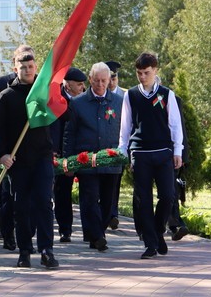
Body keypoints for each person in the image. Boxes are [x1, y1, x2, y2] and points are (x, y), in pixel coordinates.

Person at [0, 49, 59, 270]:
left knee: (44, 202)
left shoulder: (44, 92)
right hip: (18, 161)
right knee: (22, 206)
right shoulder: (6, 96)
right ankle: (25, 251)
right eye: (23, 67)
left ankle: (47, 250)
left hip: (42, 157)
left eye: (31, 66)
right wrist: (2, 154)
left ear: (36, 67)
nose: (27, 70)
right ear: (15, 68)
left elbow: (60, 116)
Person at [118, 52, 184, 260]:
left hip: (163, 152)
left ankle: (157, 230)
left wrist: (177, 150)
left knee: (167, 195)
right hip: (140, 153)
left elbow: (175, 124)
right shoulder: (131, 95)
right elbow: (125, 126)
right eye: (139, 73)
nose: (142, 77)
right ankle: (150, 243)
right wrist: (124, 151)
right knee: (143, 199)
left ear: (155, 71)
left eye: (146, 73)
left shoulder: (166, 94)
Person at [64, 62, 123, 252]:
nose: (99, 84)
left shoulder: (118, 102)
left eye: (104, 81)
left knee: (108, 202)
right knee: (89, 199)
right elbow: (69, 133)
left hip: (111, 159)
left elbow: (126, 130)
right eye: (96, 80)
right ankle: (97, 236)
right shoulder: (78, 103)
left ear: (109, 80)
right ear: (90, 79)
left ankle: (97, 232)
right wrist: (68, 160)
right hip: (86, 159)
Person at [0, 44, 34, 252]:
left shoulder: (38, 83)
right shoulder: (2, 84)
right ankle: (7, 233)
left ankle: (27, 235)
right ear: (15, 63)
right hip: (8, 150)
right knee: (7, 195)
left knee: (31, 197)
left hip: (31, 149)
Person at [52, 67, 86, 243]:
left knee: (88, 192)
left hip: (83, 152)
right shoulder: (57, 99)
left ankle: (92, 230)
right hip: (61, 152)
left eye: (82, 84)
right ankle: (65, 230)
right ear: (67, 84)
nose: (82, 87)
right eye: (79, 84)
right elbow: (54, 127)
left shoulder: (86, 99)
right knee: (62, 192)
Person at [105, 60, 125, 229]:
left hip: (119, 147)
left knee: (115, 181)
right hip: (101, 146)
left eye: (114, 77)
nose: (111, 82)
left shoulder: (125, 97)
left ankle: (113, 214)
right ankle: (106, 212)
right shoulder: (100, 95)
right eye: (108, 78)